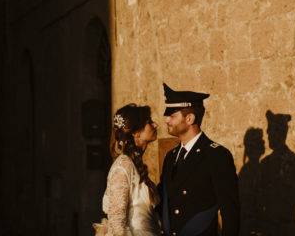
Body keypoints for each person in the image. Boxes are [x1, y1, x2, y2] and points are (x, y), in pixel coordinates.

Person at [158, 83, 240, 236]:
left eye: (172, 116)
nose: (167, 120)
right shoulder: (170, 156)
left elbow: (230, 210)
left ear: (189, 119)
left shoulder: (216, 155)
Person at [102, 104, 161, 236]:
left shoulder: (134, 164)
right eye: (149, 122)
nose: (155, 125)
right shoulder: (122, 167)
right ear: (135, 133)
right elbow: (117, 222)